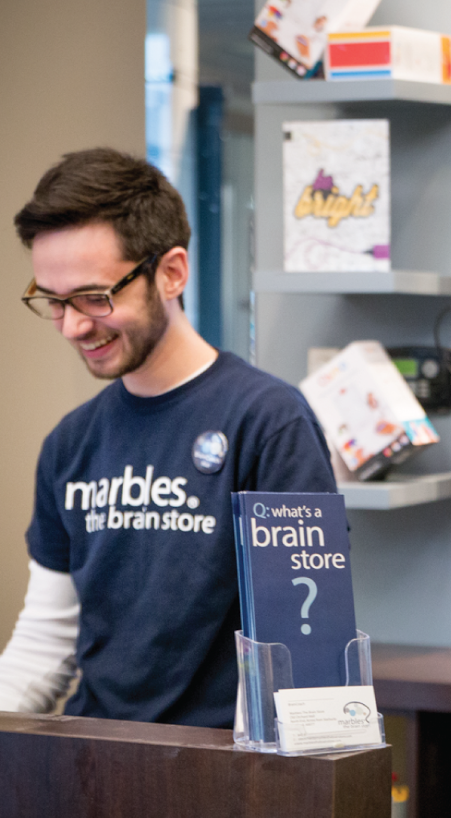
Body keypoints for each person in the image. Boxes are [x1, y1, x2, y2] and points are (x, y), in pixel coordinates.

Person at [0, 148, 337, 727]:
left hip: (222, 774)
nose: (74, 325)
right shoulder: (70, 444)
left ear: (172, 272)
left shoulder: (270, 423)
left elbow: (296, 653)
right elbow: (44, 643)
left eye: (94, 297)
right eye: (54, 302)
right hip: (95, 767)